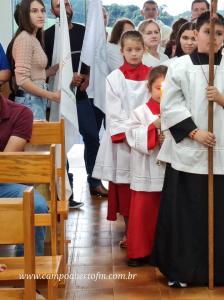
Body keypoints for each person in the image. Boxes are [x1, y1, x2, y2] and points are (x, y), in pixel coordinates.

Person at [151, 11, 224, 287]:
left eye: (219, 33)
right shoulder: (180, 66)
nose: (214, 38)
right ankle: (184, 270)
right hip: (190, 151)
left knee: (223, 215)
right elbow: (170, 105)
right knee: (189, 214)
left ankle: (221, 273)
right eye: (208, 32)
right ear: (196, 34)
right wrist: (195, 132)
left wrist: (222, 98)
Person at [45, 0, 108, 209]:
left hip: (81, 96)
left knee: (91, 136)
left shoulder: (83, 31)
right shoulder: (49, 35)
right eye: (58, 5)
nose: (65, 8)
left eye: (67, 4)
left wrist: (87, 77)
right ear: (52, 11)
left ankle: (95, 181)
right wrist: (66, 78)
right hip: (59, 99)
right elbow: (48, 69)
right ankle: (67, 187)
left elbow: (92, 60)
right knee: (62, 142)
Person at [93, 31, 151, 249]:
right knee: (127, 189)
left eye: (138, 49)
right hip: (125, 143)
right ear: (122, 51)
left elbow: (154, 105)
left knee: (145, 188)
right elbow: (114, 113)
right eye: (129, 50)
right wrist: (132, 134)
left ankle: (147, 231)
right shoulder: (114, 78)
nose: (134, 54)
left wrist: (145, 133)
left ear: (143, 50)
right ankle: (129, 232)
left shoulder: (152, 75)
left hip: (146, 140)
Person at [126, 65, 167, 267]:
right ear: (149, 88)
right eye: (158, 88)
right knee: (143, 212)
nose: (162, 93)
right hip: (146, 168)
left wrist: (166, 138)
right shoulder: (139, 112)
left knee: (165, 213)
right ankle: (139, 251)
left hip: (168, 171)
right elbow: (132, 135)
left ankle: (161, 252)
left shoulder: (178, 111)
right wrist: (152, 129)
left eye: (167, 88)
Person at [0, 94, 48, 256]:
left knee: (37, 206)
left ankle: (27, 264)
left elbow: (5, 161)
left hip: (3, 183)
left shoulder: (19, 113)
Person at [11, 0, 60, 120]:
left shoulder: (33, 38)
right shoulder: (25, 39)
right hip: (30, 101)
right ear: (25, 15)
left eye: (42, 11)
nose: (40, 15)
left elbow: (33, 74)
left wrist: (49, 72)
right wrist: (51, 95)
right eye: (34, 11)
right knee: (37, 139)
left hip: (34, 100)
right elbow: (22, 80)